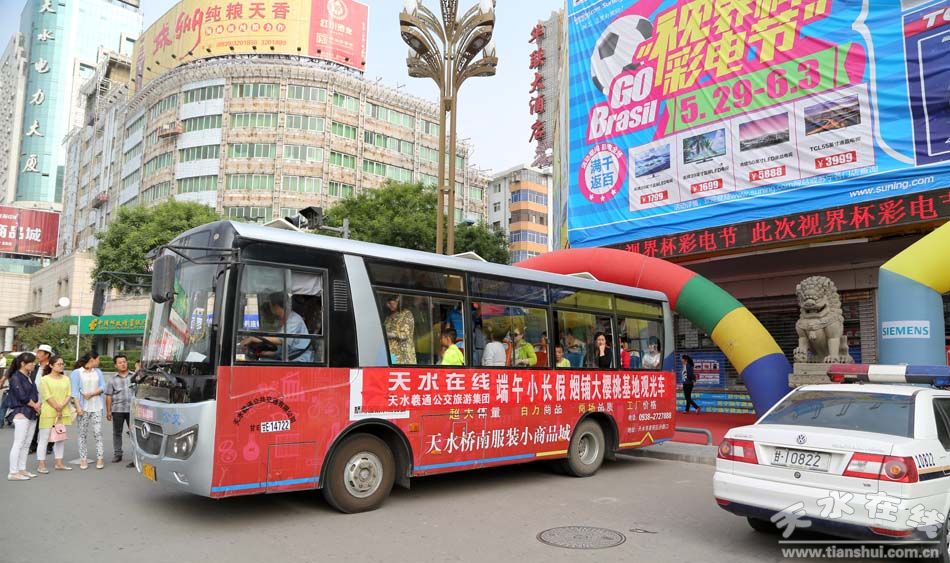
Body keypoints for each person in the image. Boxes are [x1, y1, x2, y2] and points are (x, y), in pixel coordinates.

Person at [36, 355, 75, 474]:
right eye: (59, 364)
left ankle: (59, 463)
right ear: (51, 365)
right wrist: (57, 407)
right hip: (48, 412)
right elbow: (46, 395)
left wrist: (61, 407)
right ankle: (41, 464)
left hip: (63, 412)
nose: (61, 366)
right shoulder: (45, 379)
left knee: (60, 438)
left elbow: (69, 394)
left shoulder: (66, 379)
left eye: (62, 364)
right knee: (44, 439)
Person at [6, 352, 40, 481]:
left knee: (26, 443)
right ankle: (13, 472)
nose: (33, 364)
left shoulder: (28, 376)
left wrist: (37, 405)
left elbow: (34, 394)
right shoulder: (16, 377)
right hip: (21, 412)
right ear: (23, 364)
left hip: (31, 412)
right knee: (19, 443)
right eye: (31, 362)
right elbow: (22, 396)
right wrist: (35, 405)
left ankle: (22, 469)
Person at [71, 351, 107, 470]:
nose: (99, 361)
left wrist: (92, 393)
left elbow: (103, 386)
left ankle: (100, 458)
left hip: (97, 406)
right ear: (92, 360)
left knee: (98, 432)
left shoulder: (98, 372)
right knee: (82, 434)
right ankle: (83, 459)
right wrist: (78, 408)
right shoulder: (77, 373)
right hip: (83, 408)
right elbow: (74, 392)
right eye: (98, 359)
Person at [105, 354, 134, 463]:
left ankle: (136, 455)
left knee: (134, 433)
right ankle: (118, 454)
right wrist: (108, 411)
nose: (123, 364)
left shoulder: (134, 377)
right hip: (117, 410)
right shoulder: (112, 380)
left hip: (133, 410)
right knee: (117, 432)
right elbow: (109, 396)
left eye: (124, 362)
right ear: (116, 365)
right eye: (120, 362)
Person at [28, 344, 53, 455]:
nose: (37, 355)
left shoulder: (51, 367)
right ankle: (33, 445)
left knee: (49, 424)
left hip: (48, 400)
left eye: (39, 352)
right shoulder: (35, 367)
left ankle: (49, 445)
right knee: (35, 423)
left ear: (47, 355)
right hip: (35, 399)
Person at [384, 295, 416, 364]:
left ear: (398, 299)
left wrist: (390, 334)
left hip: (403, 356)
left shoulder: (406, 314)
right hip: (391, 354)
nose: (388, 305)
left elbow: (405, 334)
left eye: (389, 302)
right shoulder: (388, 317)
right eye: (387, 303)